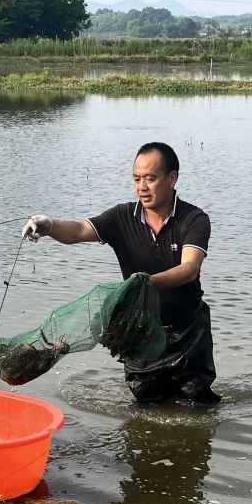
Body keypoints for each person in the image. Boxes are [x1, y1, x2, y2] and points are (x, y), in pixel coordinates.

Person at [22, 142, 220, 406]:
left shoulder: (193, 219)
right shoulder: (121, 217)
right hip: (141, 333)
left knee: (197, 405)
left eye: (150, 178)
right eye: (137, 179)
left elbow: (189, 268)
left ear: (171, 178)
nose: (142, 187)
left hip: (188, 331)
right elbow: (80, 230)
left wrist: (144, 283)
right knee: (148, 405)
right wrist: (49, 226)